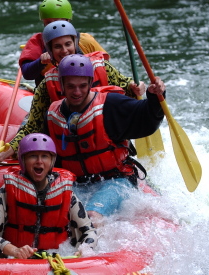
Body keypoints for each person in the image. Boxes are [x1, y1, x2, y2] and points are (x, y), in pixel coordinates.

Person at [0, 20, 145, 165]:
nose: (64, 50)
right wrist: (7, 152)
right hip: (72, 158)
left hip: (109, 153)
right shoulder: (47, 85)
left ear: (75, 43)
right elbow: (32, 126)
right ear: (50, 50)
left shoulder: (102, 68)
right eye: (57, 46)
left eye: (68, 44)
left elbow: (129, 94)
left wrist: (138, 88)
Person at [47, 54, 165, 225]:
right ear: (62, 86)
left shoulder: (111, 105)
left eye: (82, 86)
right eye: (71, 86)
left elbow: (146, 118)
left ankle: (90, 249)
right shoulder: (52, 114)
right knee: (57, 218)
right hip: (78, 184)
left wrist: (154, 97)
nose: (77, 92)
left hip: (116, 180)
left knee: (90, 217)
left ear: (90, 83)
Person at [0, 133, 97, 259]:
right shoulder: (7, 190)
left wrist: (85, 249)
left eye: (45, 156)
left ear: (52, 161)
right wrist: (14, 250)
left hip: (57, 256)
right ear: (23, 160)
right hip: (15, 256)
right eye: (33, 156)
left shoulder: (66, 193)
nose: (39, 161)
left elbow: (89, 231)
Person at [19, 0, 110, 86]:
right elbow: (27, 74)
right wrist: (41, 62)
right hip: (53, 96)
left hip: (87, 92)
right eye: (48, 22)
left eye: (58, 21)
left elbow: (105, 66)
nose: (54, 26)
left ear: (68, 21)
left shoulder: (86, 40)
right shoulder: (38, 41)